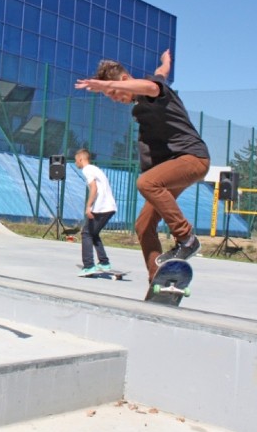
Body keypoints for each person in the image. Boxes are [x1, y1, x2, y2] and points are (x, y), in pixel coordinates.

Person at [74, 49, 210, 282]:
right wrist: (166, 61)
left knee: (146, 182)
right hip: (172, 167)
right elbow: (161, 72)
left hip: (192, 158)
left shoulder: (151, 90)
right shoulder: (149, 87)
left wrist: (101, 84)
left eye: (114, 91)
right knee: (144, 225)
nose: (115, 98)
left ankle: (187, 239)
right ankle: (159, 280)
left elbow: (152, 85)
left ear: (126, 81)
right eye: (110, 96)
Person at [74, 148, 116, 276]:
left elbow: (94, 188)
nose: (76, 164)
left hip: (102, 207)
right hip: (109, 207)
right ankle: (104, 263)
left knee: (86, 233)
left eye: (76, 161)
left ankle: (89, 266)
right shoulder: (95, 169)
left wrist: (88, 206)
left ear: (81, 159)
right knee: (94, 233)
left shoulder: (87, 170)